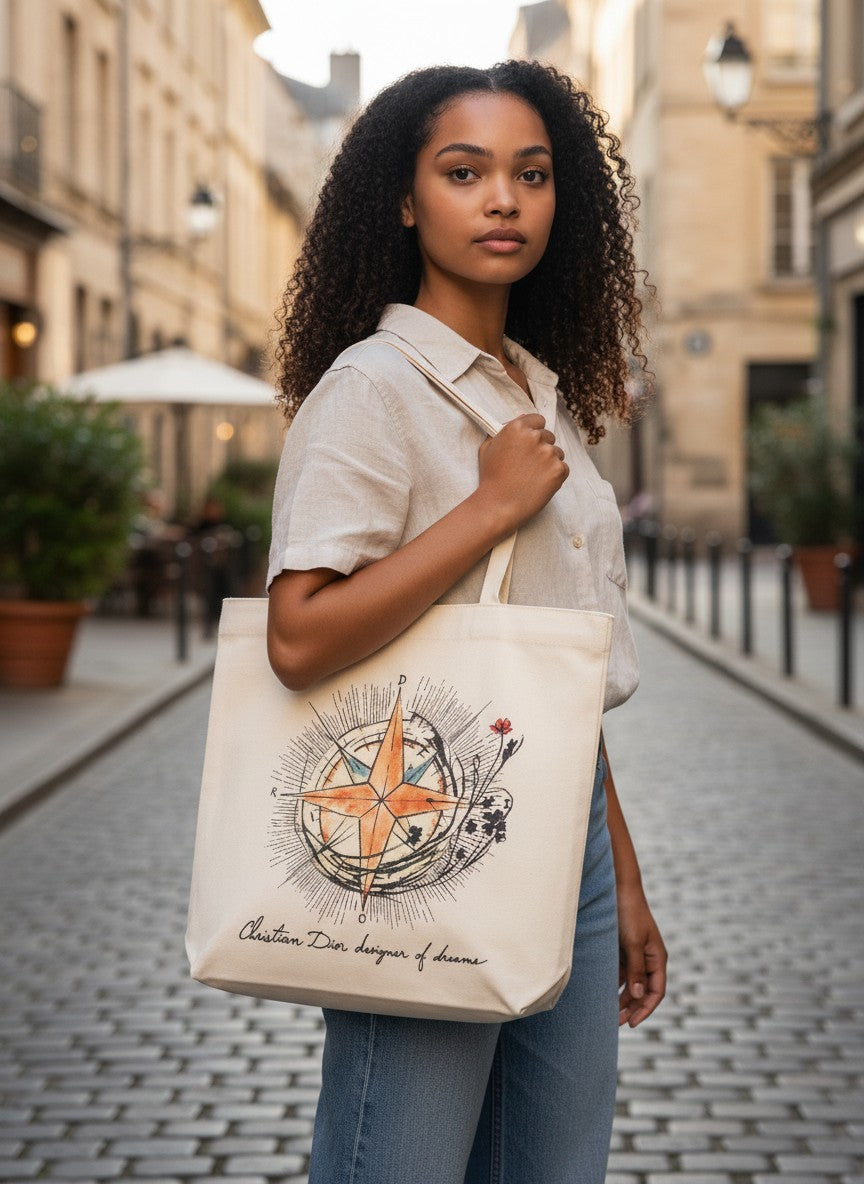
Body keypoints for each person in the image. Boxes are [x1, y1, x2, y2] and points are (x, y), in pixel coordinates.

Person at [266, 61, 667, 1184]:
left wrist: (620, 872)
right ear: (404, 200)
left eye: (532, 175)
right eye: (465, 171)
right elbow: (297, 634)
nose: (504, 199)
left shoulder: (538, 393)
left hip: (572, 829)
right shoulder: (374, 389)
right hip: (422, 823)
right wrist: (488, 508)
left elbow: (551, 657)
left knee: (553, 1168)